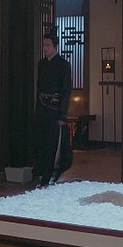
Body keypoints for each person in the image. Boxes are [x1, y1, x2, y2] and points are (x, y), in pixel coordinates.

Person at [34, 33, 72, 186]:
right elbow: (39, 88)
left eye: (48, 45)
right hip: (42, 108)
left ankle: (49, 175)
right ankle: (40, 173)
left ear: (55, 46)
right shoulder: (42, 64)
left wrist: (62, 114)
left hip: (55, 109)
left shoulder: (63, 65)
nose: (45, 48)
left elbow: (66, 90)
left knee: (52, 143)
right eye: (43, 45)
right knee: (41, 142)